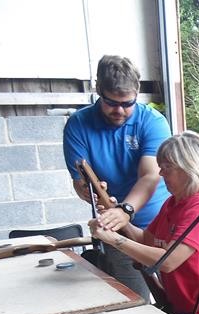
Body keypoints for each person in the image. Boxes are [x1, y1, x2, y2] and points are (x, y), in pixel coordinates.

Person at [89, 131, 199, 314]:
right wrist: (116, 216)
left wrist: (114, 240)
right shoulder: (173, 203)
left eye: (167, 167)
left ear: (189, 166)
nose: (161, 173)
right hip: (182, 310)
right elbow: (146, 239)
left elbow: (168, 261)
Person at [63, 54, 171, 301]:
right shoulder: (78, 125)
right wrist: (91, 195)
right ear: (99, 90)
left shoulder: (152, 122)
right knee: (134, 302)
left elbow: (149, 175)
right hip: (115, 227)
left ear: (137, 92)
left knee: (176, 301)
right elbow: (80, 183)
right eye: (111, 102)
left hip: (161, 226)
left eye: (128, 103)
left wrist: (126, 210)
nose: (120, 110)